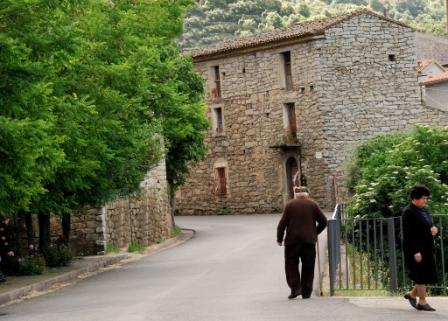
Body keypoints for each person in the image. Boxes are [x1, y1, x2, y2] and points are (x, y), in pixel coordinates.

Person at [277, 186, 327, 299]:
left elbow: (282, 225)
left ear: (295, 195)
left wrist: (279, 239)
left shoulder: (289, 205)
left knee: (291, 265)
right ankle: (306, 292)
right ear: (307, 194)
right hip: (309, 241)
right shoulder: (313, 205)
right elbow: (323, 221)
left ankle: (295, 288)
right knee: (308, 266)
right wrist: (315, 232)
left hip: (292, 242)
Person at [402, 185, 438, 312]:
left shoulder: (424, 210)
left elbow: (429, 225)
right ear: (414, 198)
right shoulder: (408, 212)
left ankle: (412, 295)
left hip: (427, 246)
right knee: (420, 275)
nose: (425, 200)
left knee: (426, 273)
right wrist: (415, 251)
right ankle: (422, 302)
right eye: (423, 198)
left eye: (426, 198)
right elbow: (408, 234)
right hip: (415, 249)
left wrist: (433, 230)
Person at [0, 217, 15, 282]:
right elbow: (4, 239)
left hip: (3, 248)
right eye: (7, 220)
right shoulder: (2, 227)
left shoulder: (4, 227)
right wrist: (9, 250)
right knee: (3, 262)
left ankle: (2, 275)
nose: (8, 221)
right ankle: (2, 276)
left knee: (3, 262)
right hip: (2, 248)